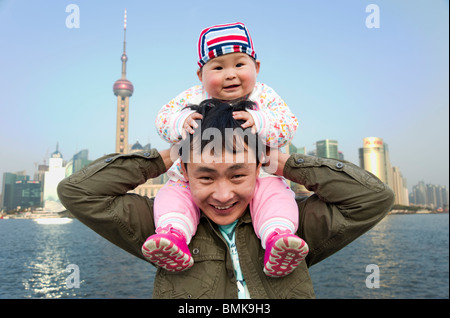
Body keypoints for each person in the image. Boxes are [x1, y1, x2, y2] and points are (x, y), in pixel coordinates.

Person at [57, 99, 394, 299]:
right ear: (185, 172)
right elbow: (77, 191)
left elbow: (372, 198)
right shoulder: (160, 229)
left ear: (258, 168)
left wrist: (283, 162)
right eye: (205, 176)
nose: (222, 195)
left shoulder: (294, 227)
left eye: (237, 175)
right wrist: (165, 157)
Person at [148, 22, 305, 277]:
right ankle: (172, 236)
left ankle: (278, 238)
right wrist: (179, 122)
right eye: (218, 68)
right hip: (190, 178)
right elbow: (162, 118)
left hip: (259, 173)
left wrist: (261, 121)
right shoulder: (192, 97)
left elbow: (289, 124)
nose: (230, 74)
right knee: (173, 197)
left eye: (239, 64)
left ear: (257, 67)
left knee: (276, 196)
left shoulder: (263, 97)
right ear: (200, 75)